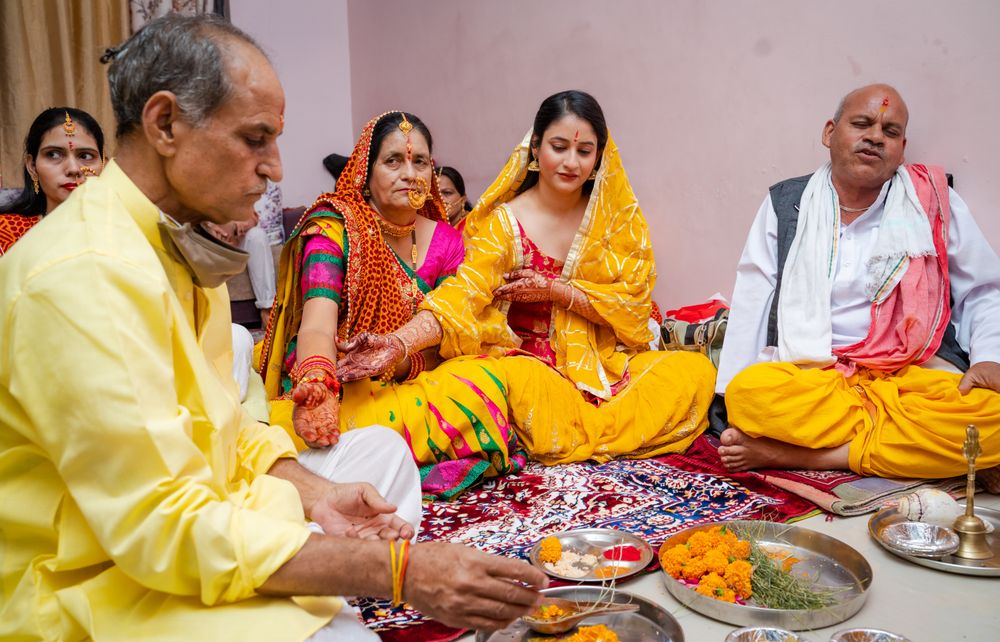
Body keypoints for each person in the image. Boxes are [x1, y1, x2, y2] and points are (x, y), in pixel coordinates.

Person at [0, 15, 546, 642]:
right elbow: (164, 528)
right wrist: (399, 572)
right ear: (166, 124)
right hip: (102, 585)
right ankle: (315, 601)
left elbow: (230, 422)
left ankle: (309, 583)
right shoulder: (83, 274)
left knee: (383, 456)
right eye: (255, 139)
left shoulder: (181, 237)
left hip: (207, 502)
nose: (275, 168)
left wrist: (319, 496)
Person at [337, 90, 717, 465]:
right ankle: (597, 432)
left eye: (584, 152)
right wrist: (399, 344)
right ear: (535, 148)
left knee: (693, 371)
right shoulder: (505, 224)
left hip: (604, 365)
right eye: (558, 147)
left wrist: (557, 291)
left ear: (600, 156)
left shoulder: (614, 220)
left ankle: (584, 433)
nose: (571, 163)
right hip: (532, 367)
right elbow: (463, 296)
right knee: (495, 384)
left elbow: (634, 310)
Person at [715, 83, 1000, 489]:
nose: (874, 137)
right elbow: (754, 294)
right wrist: (731, 402)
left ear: (902, 147)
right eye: (862, 123)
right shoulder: (788, 202)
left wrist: (990, 357)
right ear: (830, 133)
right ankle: (921, 452)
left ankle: (800, 454)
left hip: (912, 374)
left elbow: (983, 289)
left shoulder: (934, 200)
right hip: (817, 373)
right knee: (750, 393)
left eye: (890, 131)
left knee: (994, 417)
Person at [259, 111, 526, 499]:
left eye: (419, 162)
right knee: (285, 429)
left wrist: (396, 358)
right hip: (342, 378)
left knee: (486, 382)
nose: (409, 173)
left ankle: (357, 461)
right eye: (393, 161)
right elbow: (316, 326)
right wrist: (319, 386)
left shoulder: (447, 241)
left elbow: (448, 334)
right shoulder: (334, 228)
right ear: (365, 175)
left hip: (415, 375)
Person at [0, 107, 105, 254]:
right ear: (32, 166)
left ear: (104, 164)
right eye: (54, 154)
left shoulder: (122, 231)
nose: (73, 169)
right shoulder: (8, 234)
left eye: (85, 156)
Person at [436, 164, 473, 230]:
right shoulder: (426, 231)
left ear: (463, 198)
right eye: (435, 194)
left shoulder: (475, 228)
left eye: (447, 193)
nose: (440, 199)